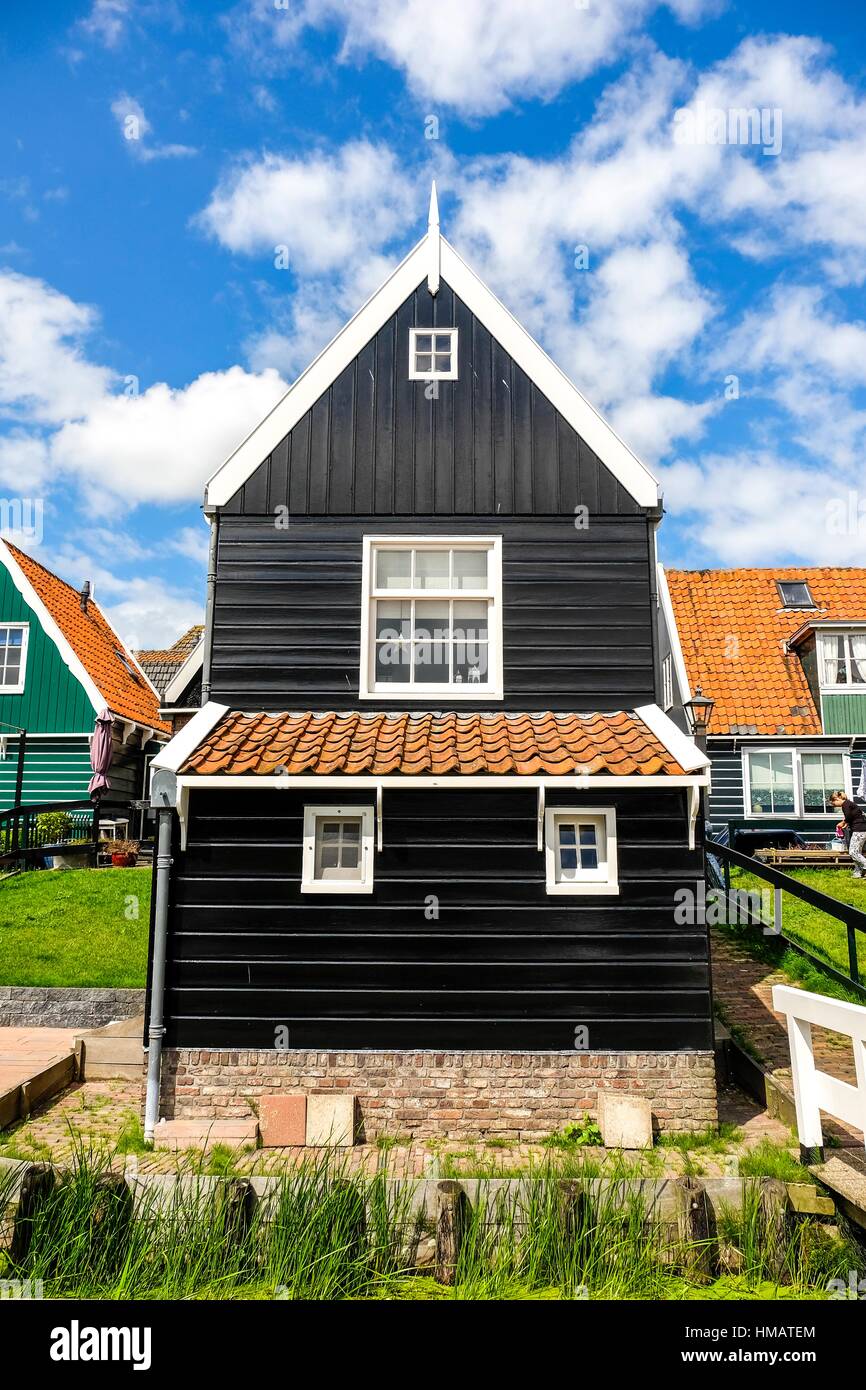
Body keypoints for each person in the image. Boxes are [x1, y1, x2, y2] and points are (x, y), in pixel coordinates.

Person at [830, 790, 866, 878]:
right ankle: (859, 872)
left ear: (837, 799)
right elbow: (852, 817)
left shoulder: (845, 804)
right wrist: (846, 823)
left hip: (859, 830)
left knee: (853, 852)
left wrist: (843, 822)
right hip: (861, 829)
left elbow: (849, 816)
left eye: (834, 804)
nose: (834, 806)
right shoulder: (850, 804)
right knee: (857, 852)